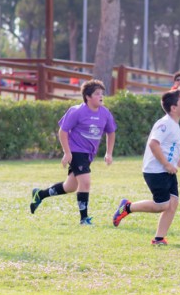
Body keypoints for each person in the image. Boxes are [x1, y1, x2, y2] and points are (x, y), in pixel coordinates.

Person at [112, 89, 180, 245]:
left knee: (173, 203)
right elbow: (153, 144)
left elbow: (169, 151)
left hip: (166, 170)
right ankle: (127, 207)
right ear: (173, 107)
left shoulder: (174, 125)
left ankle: (158, 238)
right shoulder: (165, 124)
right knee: (162, 205)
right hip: (155, 171)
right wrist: (165, 164)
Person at [29, 79, 117, 225]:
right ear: (88, 97)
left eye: (102, 93)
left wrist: (109, 153)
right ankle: (84, 219)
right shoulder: (77, 111)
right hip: (76, 151)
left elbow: (111, 132)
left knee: (70, 187)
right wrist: (67, 152)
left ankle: (40, 194)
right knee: (86, 183)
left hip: (88, 154)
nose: (101, 96)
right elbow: (63, 131)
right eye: (97, 94)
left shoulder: (105, 113)